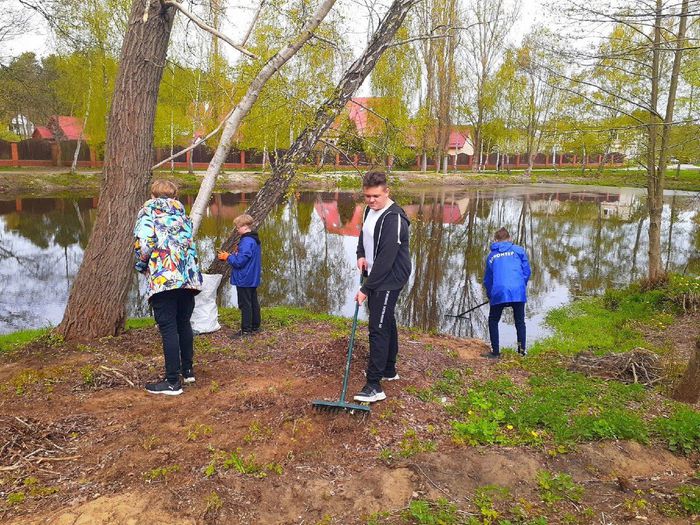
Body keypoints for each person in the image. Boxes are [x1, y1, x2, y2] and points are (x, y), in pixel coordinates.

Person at [134, 180, 203, 395]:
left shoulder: (147, 212)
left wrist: (141, 265)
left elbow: (144, 244)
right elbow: (189, 244)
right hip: (188, 278)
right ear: (175, 195)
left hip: (164, 277)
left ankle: (172, 382)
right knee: (183, 323)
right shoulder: (183, 216)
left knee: (169, 328)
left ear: (153, 194)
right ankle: (188, 371)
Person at [353, 171, 411, 403]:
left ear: (387, 191)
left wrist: (366, 289)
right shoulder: (370, 210)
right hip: (375, 272)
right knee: (386, 320)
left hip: (390, 277)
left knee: (377, 327)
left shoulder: (394, 218)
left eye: (376, 196)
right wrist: (360, 254)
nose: (371, 200)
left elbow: (387, 258)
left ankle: (374, 385)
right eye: (367, 196)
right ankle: (389, 369)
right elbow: (364, 234)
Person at [482, 227, 531, 358]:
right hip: (518, 291)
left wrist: (490, 294)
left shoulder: (492, 256)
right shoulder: (519, 251)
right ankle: (521, 352)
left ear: (496, 240)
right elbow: (527, 272)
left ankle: (495, 352)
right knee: (520, 321)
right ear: (509, 238)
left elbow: (488, 279)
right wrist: (520, 286)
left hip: (499, 290)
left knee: (493, 320)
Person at [217, 214, 262, 338]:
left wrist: (227, 257)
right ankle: (255, 326)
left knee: (245, 304)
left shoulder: (247, 241)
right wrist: (235, 254)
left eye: (237, 227)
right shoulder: (253, 239)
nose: (236, 230)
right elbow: (246, 257)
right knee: (253, 301)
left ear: (244, 226)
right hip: (252, 276)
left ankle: (246, 330)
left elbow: (239, 262)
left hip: (245, 277)